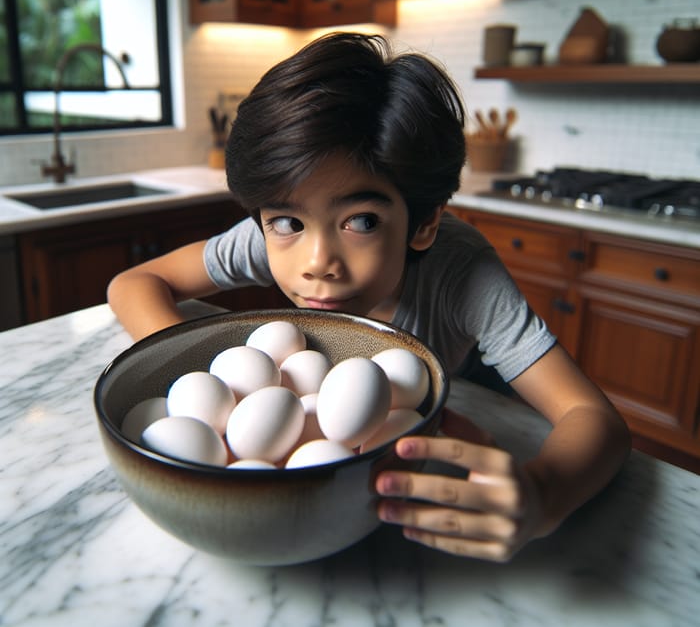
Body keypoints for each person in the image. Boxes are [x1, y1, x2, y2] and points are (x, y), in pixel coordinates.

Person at [108, 32, 630, 562]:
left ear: (423, 222)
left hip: (452, 422)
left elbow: (594, 417)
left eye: (361, 221)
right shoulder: (274, 242)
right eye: (285, 220)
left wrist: (543, 493)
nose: (317, 261)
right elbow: (133, 284)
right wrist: (197, 382)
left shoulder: (460, 272)